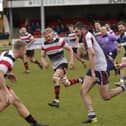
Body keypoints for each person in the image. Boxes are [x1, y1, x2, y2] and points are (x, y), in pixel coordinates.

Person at [74, 22, 126, 123]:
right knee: (83, 91)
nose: (76, 34)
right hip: (96, 67)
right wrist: (80, 56)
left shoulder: (88, 37)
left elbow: (92, 54)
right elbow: (90, 55)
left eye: (76, 32)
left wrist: (93, 73)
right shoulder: (85, 37)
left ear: (82, 29)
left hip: (102, 68)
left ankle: (124, 87)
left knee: (106, 96)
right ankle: (92, 116)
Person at [0, 40, 47, 126]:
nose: (25, 53)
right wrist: (6, 92)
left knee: (16, 100)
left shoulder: (7, 53)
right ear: (21, 49)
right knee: (6, 101)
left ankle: (34, 123)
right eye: (25, 50)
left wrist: (8, 74)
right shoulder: (8, 60)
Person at [41, 28, 81, 108]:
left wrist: (72, 61)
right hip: (55, 66)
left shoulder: (60, 41)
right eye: (46, 37)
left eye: (48, 36)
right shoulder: (44, 45)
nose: (47, 38)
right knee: (66, 83)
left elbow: (70, 49)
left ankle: (56, 101)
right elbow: (42, 56)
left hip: (63, 64)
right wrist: (44, 62)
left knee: (55, 77)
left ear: (52, 34)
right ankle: (81, 79)